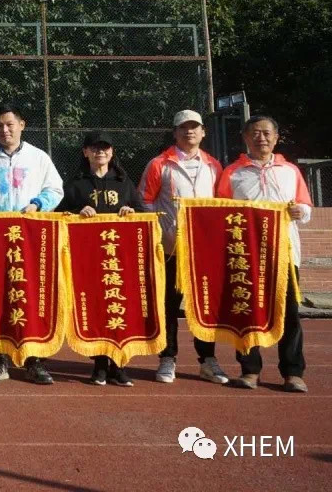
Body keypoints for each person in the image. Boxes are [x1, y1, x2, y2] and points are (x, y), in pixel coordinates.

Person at [0, 102, 64, 385]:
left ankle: (35, 361)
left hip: (30, 240)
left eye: (9, 124)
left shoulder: (39, 158)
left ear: (22, 125)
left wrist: (38, 204)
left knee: (30, 295)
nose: (4, 130)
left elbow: (55, 189)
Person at [217, 115, 312, 394]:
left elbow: (305, 206)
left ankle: (293, 373)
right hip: (245, 255)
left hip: (285, 253)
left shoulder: (290, 171)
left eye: (267, 133)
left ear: (276, 137)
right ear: (245, 138)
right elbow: (220, 210)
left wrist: (300, 212)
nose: (261, 138)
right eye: (255, 133)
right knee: (247, 311)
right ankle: (250, 369)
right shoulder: (232, 172)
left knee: (289, 312)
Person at [139, 109, 228, 385]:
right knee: (168, 305)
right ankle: (168, 358)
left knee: (204, 305)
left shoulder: (214, 166)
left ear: (203, 132)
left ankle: (208, 360)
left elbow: (222, 203)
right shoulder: (159, 164)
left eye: (194, 127)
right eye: (183, 127)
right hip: (170, 250)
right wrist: (164, 228)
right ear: (175, 133)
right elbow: (145, 200)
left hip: (204, 251)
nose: (189, 131)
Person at [58, 131, 143, 387]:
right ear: (85, 152)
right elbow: (59, 213)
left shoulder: (124, 182)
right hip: (89, 260)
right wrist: (76, 210)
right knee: (96, 310)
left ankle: (119, 364)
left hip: (119, 260)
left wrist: (131, 211)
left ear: (112, 152)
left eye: (105, 148)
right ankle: (99, 365)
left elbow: (142, 211)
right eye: (95, 148)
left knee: (120, 308)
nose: (100, 152)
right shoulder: (75, 184)